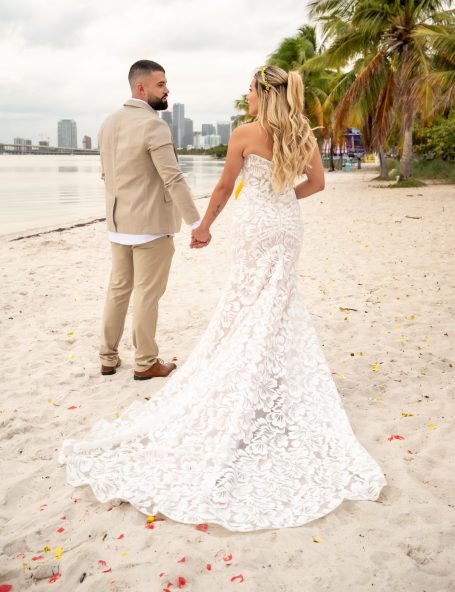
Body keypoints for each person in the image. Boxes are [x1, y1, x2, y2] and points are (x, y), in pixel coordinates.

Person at [60, 66, 386, 532]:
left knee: (248, 301)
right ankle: (269, 379)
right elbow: (316, 185)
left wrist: (205, 226)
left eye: (250, 89)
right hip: (285, 225)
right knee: (278, 303)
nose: (246, 95)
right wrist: (281, 198)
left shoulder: (246, 132)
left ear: (262, 94)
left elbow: (223, 186)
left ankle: (240, 375)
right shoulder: (301, 133)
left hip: (254, 226)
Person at [98, 60, 207, 381]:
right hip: (150, 227)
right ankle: (145, 362)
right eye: (161, 84)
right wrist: (195, 222)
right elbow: (172, 177)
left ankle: (107, 358)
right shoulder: (154, 125)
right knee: (146, 294)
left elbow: (107, 175)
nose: (167, 89)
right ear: (140, 88)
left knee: (118, 291)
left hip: (118, 225)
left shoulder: (108, 123)